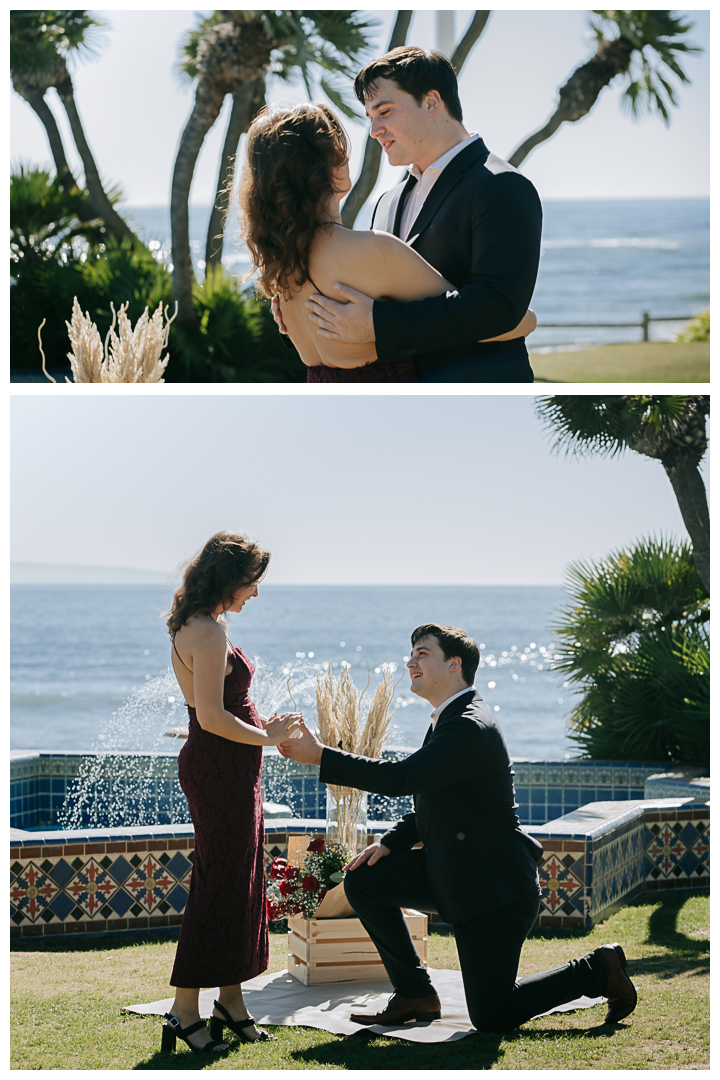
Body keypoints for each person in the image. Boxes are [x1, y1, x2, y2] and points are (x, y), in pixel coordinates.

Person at [279, 624, 638, 1032]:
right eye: (411, 653)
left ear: (455, 664)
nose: (410, 661)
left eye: (422, 653)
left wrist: (320, 755)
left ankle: (597, 969)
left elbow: (403, 779)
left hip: (494, 892)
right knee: (364, 880)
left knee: (493, 1015)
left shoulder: (469, 725)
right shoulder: (448, 720)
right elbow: (435, 800)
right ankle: (415, 992)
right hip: (453, 875)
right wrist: (391, 843)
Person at [291, 46, 544, 383]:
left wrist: (378, 325)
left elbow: (498, 307)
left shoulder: (502, 186)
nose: (374, 130)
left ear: (431, 102)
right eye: (370, 117)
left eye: (385, 111)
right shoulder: (387, 203)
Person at [239, 101, 536, 382]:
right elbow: (502, 324)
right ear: (330, 162)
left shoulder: (282, 274)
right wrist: (530, 319)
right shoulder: (373, 252)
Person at [162, 531, 302, 1054]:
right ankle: (183, 1011)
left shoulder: (204, 624)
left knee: (240, 883)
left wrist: (271, 732)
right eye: (251, 582)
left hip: (232, 769)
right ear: (229, 578)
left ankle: (231, 1002)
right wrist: (267, 736)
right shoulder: (207, 630)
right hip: (220, 770)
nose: (256, 593)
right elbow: (214, 717)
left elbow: (221, 711)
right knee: (219, 887)